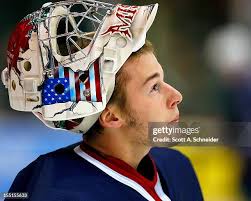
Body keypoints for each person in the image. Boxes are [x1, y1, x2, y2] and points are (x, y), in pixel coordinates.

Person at [2, 1, 203, 200]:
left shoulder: (178, 168)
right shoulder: (47, 191)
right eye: (154, 88)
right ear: (111, 116)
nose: (176, 96)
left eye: (162, 79)